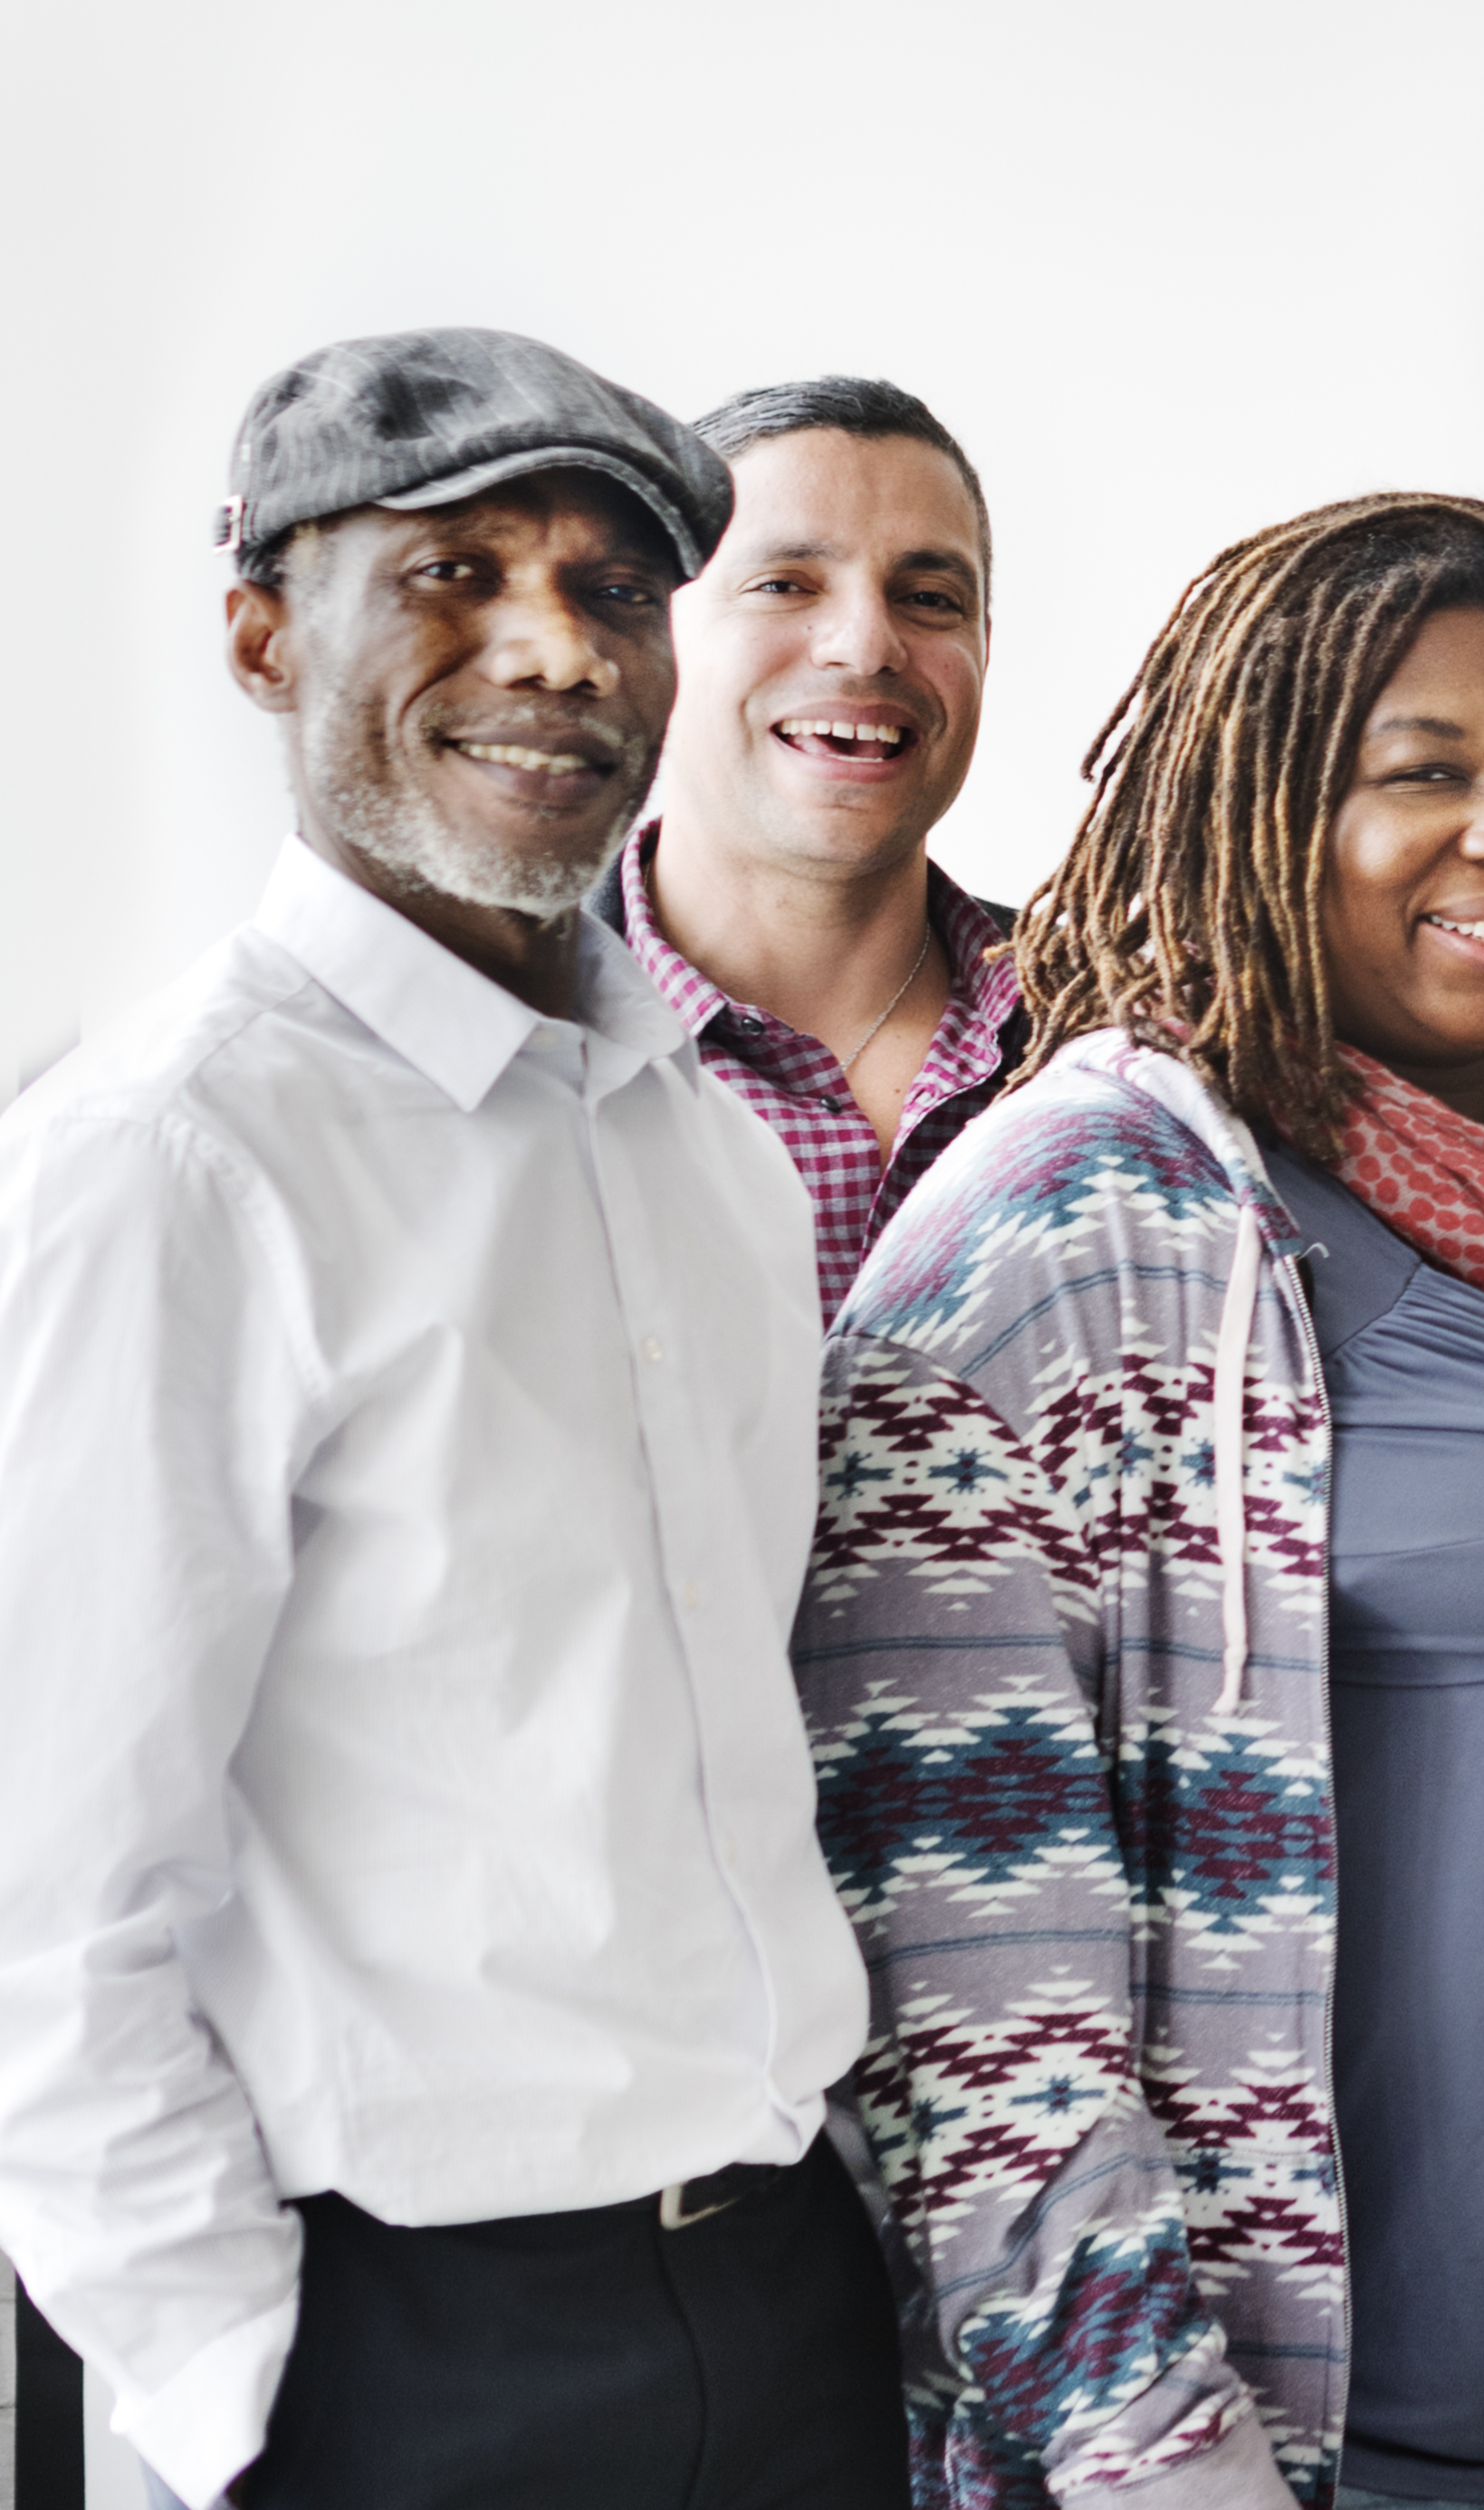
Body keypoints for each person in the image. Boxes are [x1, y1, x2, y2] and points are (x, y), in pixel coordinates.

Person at [799, 493, 1484, 2510]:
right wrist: (1170, 2470)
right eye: (1424, 773)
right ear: (1252, 802)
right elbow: (961, 1999)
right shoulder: (1077, 1228)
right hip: (1285, 2464)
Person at [0, 331, 893, 2509]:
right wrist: (242, 2406)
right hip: (405, 2356)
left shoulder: (712, 1153)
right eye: (453, 570)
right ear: (256, 631)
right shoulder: (173, 1154)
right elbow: (46, 1888)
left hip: (785, 2299)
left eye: (611, 588)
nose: (553, 649)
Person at [605, 373, 1025, 1310]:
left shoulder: (1133, 1033)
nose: (866, 643)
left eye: (927, 596)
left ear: (985, 648)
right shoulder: (486, 1041)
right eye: (782, 584)